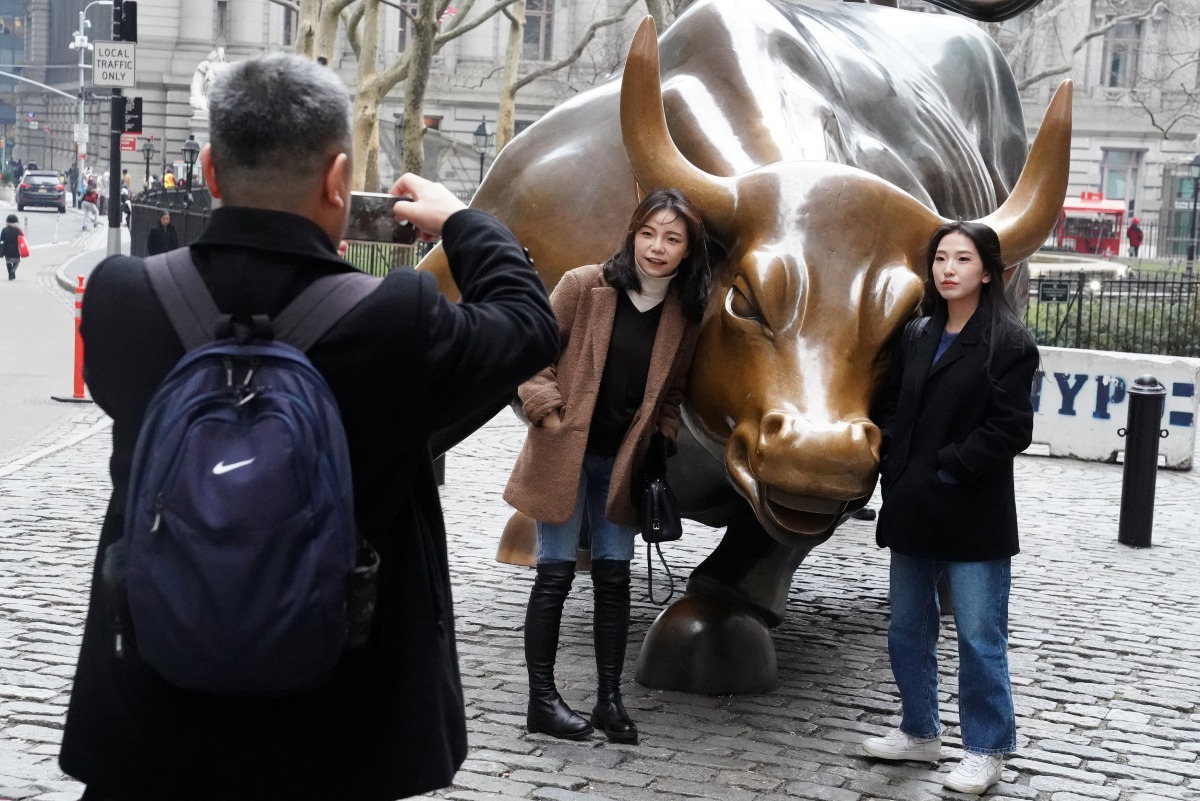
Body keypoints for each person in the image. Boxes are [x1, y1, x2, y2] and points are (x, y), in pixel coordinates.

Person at [61, 52, 558, 801]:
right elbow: (529, 322)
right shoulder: (397, 322)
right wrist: (460, 220)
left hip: (154, 719)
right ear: (336, 180)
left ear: (208, 169)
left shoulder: (123, 298)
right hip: (339, 728)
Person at [503, 189, 713, 745]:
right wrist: (547, 414)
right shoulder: (583, 285)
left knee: (613, 581)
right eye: (649, 233)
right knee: (552, 577)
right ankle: (542, 702)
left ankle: (609, 701)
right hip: (564, 457)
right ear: (632, 233)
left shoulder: (684, 313)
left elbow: (673, 395)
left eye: (672, 238)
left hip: (623, 466)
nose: (657, 248)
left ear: (688, 250)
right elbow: (532, 351)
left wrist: (660, 439)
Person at [863, 221, 1039, 794]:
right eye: (941, 258)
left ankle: (986, 748)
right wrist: (896, 464)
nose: (948, 269)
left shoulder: (1008, 342)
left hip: (972, 510)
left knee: (978, 637)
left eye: (962, 259)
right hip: (914, 504)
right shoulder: (917, 333)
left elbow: (1010, 428)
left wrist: (950, 467)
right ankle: (920, 732)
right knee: (907, 629)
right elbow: (893, 407)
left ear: (987, 271)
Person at [1, 214, 22, 280]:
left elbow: (1, 239)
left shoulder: (4, 230)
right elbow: (22, 239)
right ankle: (13, 271)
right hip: (16, 249)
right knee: (16, 262)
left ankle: (10, 273)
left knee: (8, 261)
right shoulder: (18, 230)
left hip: (7, 249)